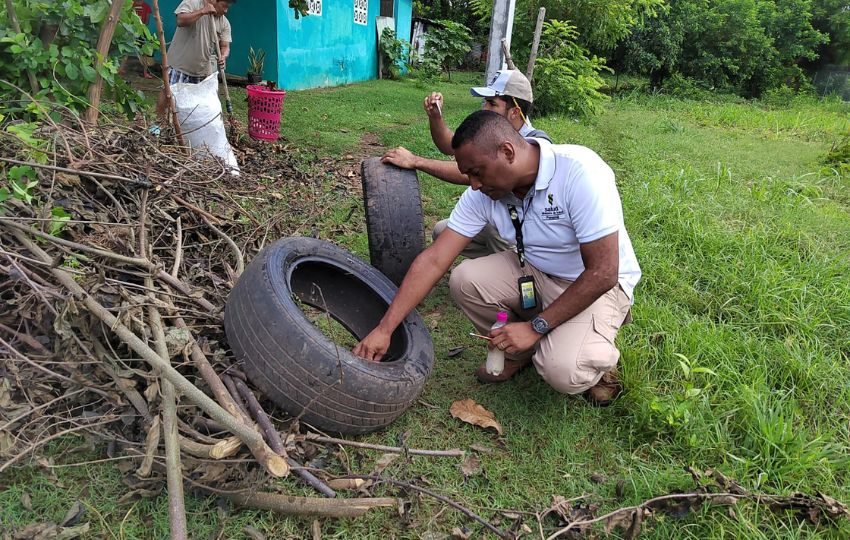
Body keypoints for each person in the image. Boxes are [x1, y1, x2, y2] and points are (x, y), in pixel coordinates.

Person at [354, 110, 641, 405]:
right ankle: (519, 353)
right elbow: (434, 259)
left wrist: (535, 327)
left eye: (477, 173)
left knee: (563, 370)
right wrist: (385, 328)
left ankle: (596, 362)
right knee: (466, 280)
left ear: (507, 151)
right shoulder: (485, 193)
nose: (474, 184)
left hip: (594, 285)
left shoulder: (579, 171)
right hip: (537, 271)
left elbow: (604, 272)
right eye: (468, 175)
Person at [382, 69, 551, 258]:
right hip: (495, 218)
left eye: (491, 103)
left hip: (521, 227)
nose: (484, 108)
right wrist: (436, 118)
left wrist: (416, 161)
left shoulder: (535, 144)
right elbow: (451, 146)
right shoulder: (489, 133)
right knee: (442, 231)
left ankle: (519, 270)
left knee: (494, 237)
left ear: (514, 112)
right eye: (485, 102)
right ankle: (497, 263)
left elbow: (467, 174)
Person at [156, 0, 234, 118]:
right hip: (179, 64)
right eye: (224, 6)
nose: (226, 10)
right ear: (214, 1)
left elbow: (225, 46)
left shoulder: (224, 23)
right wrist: (203, 11)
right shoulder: (193, 3)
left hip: (202, 70)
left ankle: (186, 128)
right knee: (168, 96)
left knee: (198, 104)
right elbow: (180, 20)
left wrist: (223, 55)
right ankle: (158, 123)